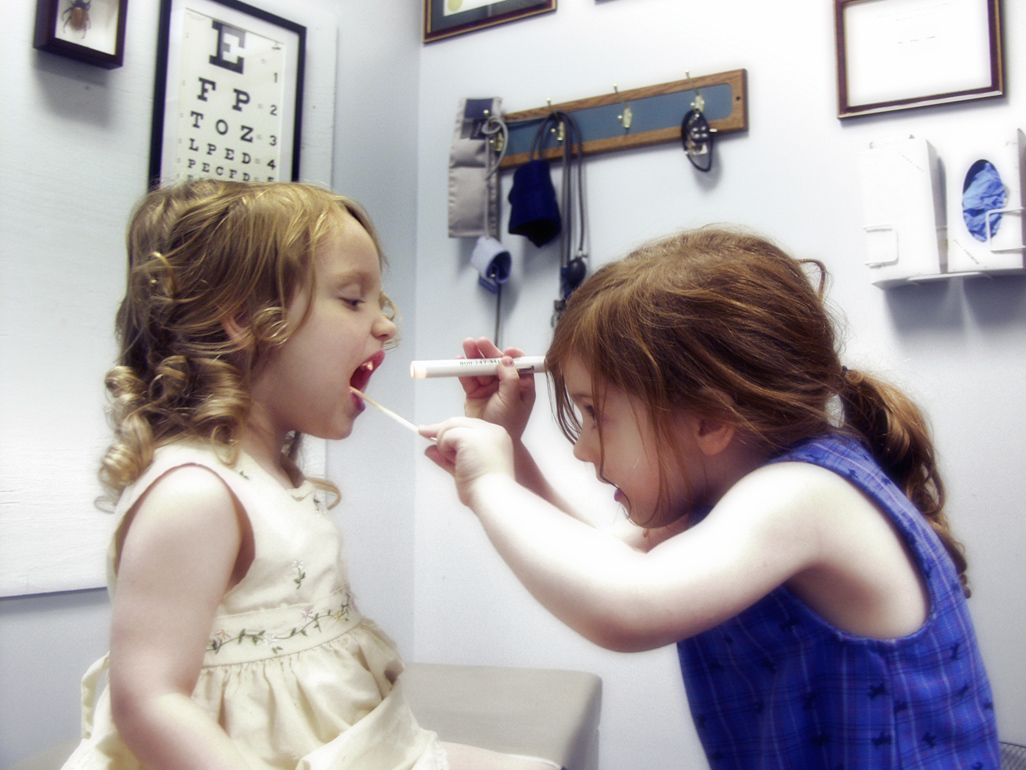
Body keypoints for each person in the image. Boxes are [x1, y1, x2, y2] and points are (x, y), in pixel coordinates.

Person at [423, 227, 1001, 768]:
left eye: (597, 414)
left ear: (709, 418)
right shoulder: (732, 496)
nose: (583, 450)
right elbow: (599, 558)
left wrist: (490, 484)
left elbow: (626, 604)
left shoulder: (802, 496)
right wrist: (509, 448)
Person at [64, 180, 557, 770]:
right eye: (353, 300)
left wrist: (500, 446)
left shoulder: (267, 475)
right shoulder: (193, 494)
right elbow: (149, 701)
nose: (386, 328)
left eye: (380, 303)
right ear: (243, 319)